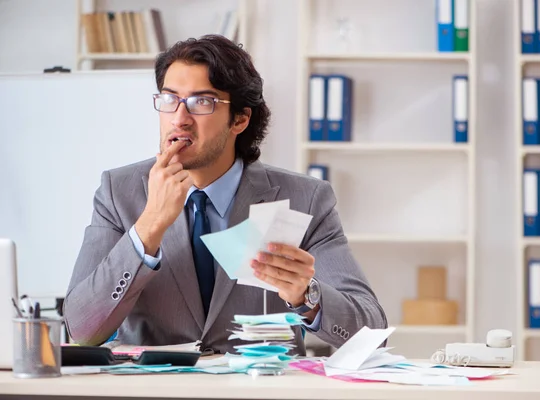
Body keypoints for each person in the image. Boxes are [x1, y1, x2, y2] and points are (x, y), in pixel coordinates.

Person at [63, 34, 387, 355]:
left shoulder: (306, 198)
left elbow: (373, 335)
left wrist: (307, 295)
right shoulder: (119, 192)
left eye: (201, 102)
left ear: (241, 119)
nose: (179, 119)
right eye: (169, 99)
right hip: (158, 390)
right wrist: (148, 227)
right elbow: (82, 331)